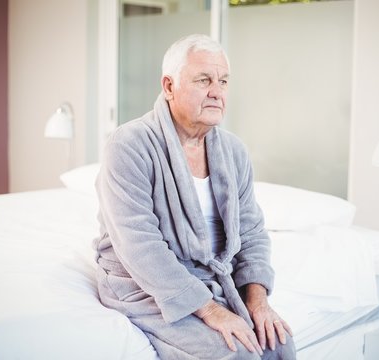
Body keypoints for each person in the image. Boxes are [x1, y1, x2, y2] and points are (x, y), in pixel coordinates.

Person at [94, 33, 296, 359]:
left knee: (280, 345)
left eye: (224, 81)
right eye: (204, 80)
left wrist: (258, 302)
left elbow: (252, 233)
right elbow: (139, 245)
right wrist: (211, 311)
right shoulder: (129, 144)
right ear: (169, 86)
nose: (217, 92)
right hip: (143, 284)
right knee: (237, 353)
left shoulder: (233, 152)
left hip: (210, 278)